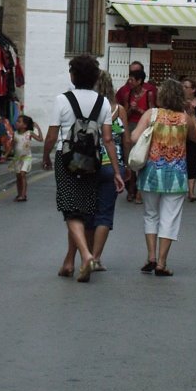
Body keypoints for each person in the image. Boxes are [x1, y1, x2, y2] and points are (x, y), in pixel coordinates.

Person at [42, 54, 125, 282]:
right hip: (93, 160)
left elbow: (51, 135)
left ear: (73, 75)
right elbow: (108, 139)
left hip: (66, 159)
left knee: (71, 210)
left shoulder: (62, 100)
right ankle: (69, 261)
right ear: (96, 77)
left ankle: (86, 256)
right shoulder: (104, 102)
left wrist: (45, 155)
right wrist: (117, 172)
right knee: (84, 209)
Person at [132, 77, 196, 276]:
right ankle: (162, 263)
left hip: (151, 173)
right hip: (177, 175)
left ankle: (151, 257)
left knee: (151, 215)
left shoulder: (151, 114)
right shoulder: (184, 118)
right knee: (169, 218)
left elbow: (134, 137)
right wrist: (190, 114)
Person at [84, 70, 129, 271]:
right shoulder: (118, 110)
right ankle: (96, 257)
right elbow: (126, 140)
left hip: (87, 164)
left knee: (87, 212)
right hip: (112, 164)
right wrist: (125, 165)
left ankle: (87, 254)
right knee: (104, 213)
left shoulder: (86, 108)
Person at [115, 61, 157, 203]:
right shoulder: (127, 93)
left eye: (132, 79)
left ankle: (139, 190)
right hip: (131, 125)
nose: (129, 82)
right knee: (132, 159)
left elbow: (152, 112)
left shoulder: (149, 92)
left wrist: (138, 110)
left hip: (144, 125)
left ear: (139, 81)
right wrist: (130, 109)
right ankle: (131, 188)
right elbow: (123, 112)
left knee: (143, 158)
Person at [9, 114, 43, 201]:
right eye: (17, 121)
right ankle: (19, 194)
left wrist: (38, 128)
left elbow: (40, 139)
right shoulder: (15, 134)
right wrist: (5, 155)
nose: (16, 123)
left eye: (19, 121)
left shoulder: (29, 133)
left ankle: (23, 195)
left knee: (22, 174)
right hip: (17, 158)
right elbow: (12, 145)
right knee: (18, 176)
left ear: (25, 125)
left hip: (26, 157)